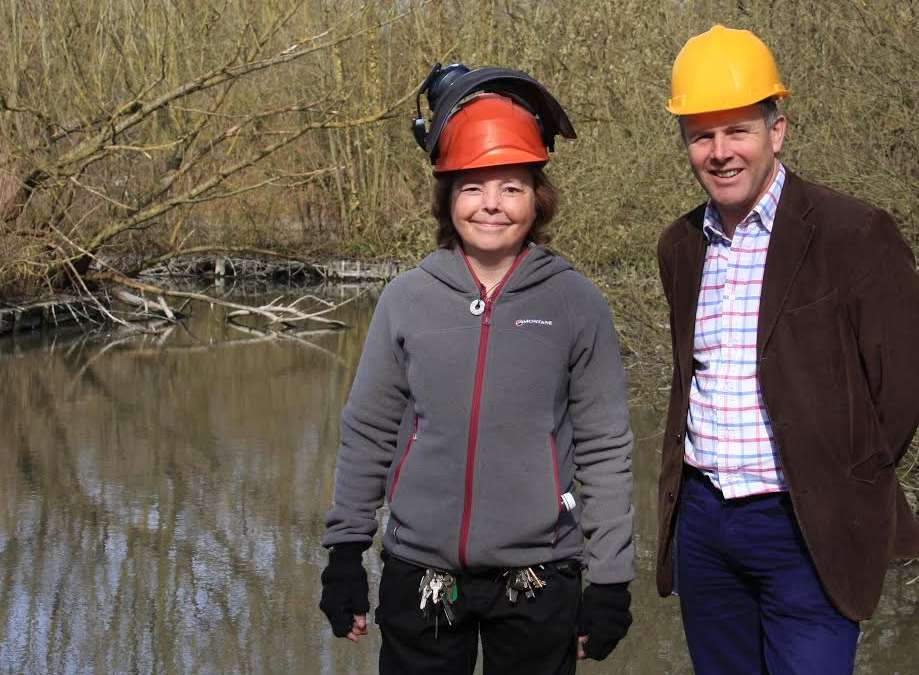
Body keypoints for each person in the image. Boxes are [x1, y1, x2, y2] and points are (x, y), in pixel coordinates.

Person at [319, 64, 635, 675]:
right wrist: (344, 553)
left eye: (511, 187)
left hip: (541, 578)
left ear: (537, 199)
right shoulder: (407, 299)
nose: (491, 204)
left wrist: (612, 579)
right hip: (420, 576)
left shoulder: (575, 302)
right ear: (448, 197)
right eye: (472, 187)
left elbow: (604, 447)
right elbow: (369, 432)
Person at [655, 24, 919, 675]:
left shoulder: (853, 233)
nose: (719, 152)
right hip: (704, 524)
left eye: (737, 130)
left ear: (777, 130)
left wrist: (844, 478)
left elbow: (902, 385)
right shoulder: (679, 246)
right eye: (700, 135)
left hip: (807, 523)